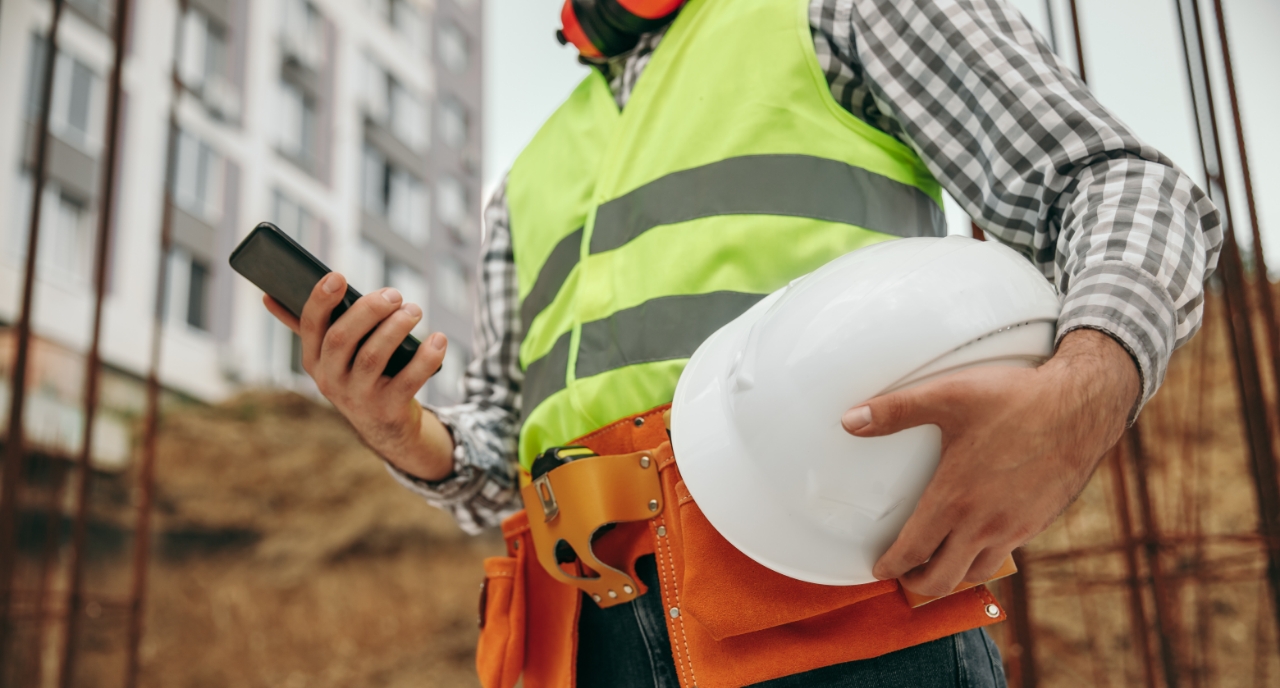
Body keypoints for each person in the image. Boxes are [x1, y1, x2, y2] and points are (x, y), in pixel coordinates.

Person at [264, 0, 1220, 685]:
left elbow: (1123, 185)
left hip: (835, 615)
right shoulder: (527, 177)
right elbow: (509, 452)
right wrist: (401, 431)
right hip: (576, 645)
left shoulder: (834, 11)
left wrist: (1084, 393)